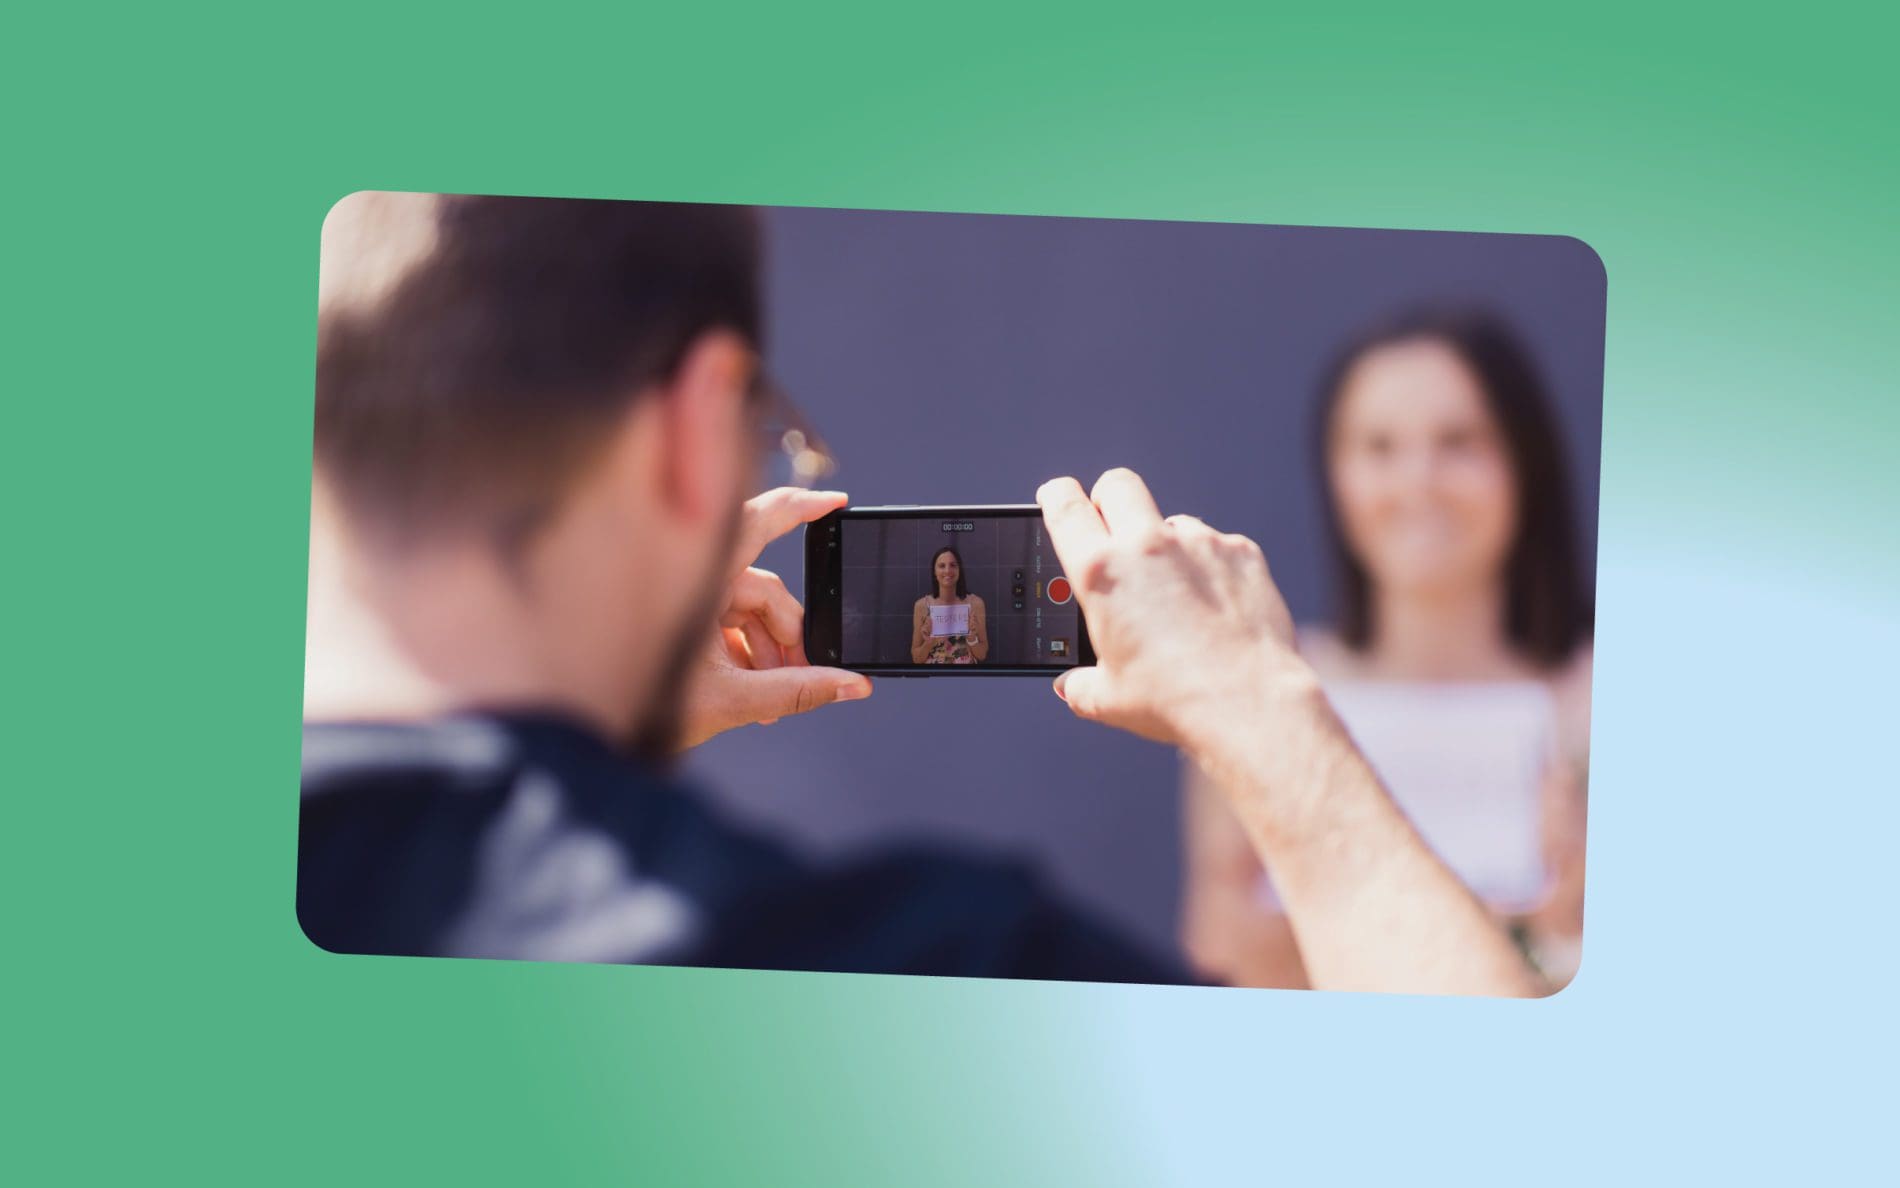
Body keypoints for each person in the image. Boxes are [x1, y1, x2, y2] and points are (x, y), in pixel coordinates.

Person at [299, 192, 1545, 996]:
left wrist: (609, 722)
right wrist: (1266, 710)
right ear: (694, 428)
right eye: (760, 430)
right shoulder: (935, 963)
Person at [1181, 308, 1593, 990]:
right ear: (1334, 472)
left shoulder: (1604, 701)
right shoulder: (1260, 687)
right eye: (1377, 447)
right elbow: (1219, 959)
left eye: (1459, 441)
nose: (1417, 482)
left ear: (1525, 461)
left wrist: (1563, 940)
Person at [911, 546, 988, 663]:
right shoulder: (922, 606)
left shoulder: (975, 604)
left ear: (959, 570)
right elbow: (916, 659)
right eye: (942, 566)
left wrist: (972, 638)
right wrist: (929, 643)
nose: (947, 570)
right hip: (935, 678)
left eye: (953, 565)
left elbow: (982, 655)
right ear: (934, 571)